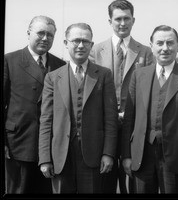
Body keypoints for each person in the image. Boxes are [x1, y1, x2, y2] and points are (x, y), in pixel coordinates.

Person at [121, 25, 178, 193]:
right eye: (160, 43)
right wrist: (126, 155)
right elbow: (129, 120)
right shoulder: (139, 76)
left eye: (170, 43)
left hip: (176, 158)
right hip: (142, 157)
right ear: (151, 46)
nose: (165, 48)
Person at [38, 23, 119, 193]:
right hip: (60, 156)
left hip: (93, 155)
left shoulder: (104, 75)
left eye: (85, 41)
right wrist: (44, 158)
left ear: (91, 44)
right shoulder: (52, 77)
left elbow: (110, 119)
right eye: (75, 41)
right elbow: (46, 120)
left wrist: (108, 153)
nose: (80, 45)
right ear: (66, 43)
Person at [89, 0, 153, 194]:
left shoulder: (146, 52)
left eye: (127, 18)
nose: (122, 23)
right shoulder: (95, 50)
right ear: (110, 21)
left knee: (133, 177)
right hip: (103, 125)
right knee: (104, 179)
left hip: (132, 125)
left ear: (133, 20)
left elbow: (147, 90)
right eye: (118, 19)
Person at [4, 15, 65, 194]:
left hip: (49, 148)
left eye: (50, 35)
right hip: (17, 144)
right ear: (28, 33)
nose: (45, 38)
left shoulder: (60, 65)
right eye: (40, 33)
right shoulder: (10, 60)